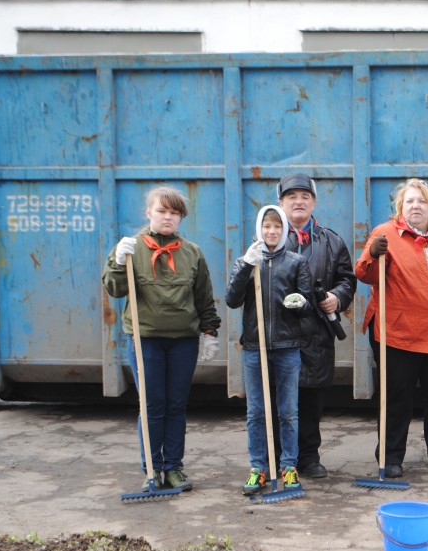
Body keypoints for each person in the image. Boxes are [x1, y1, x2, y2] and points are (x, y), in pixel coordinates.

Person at [102, 186, 221, 493]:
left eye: (174, 213)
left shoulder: (192, 252)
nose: (168, 217)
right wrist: (117, 261)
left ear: (181, 217)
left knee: (176, 405)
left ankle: (174, 467)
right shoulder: (132, 248)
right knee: (152, 405)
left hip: (183, 340)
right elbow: (115, 290)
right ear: (149, 213)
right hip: (146, 340)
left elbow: (204, 296)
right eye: (162, 211)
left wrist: (209, 332)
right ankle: (153, 469)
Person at [355, 178, 428, 477]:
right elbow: (363, 274)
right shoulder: (385, 233)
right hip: (398, 333)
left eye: (421, 201)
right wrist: (372, 253)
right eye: (409, 202)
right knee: (396, 397)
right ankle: (391, 456)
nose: (415, 206)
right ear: (400, 207)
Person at [225, 205, 313, 495]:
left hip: (287, 347)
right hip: (254, 347)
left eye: (277, 227)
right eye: (266, 227)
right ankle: (258, 468)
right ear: (258, 230)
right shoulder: (246, 261)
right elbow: (232, 300)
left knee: (288, 412)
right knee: (256, 412)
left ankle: (288, 467)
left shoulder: (296, 261)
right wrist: (246, 268)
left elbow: (306, 304)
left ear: (285, 230)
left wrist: (300, 303)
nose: (271, 232)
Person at [276, 173, 356, 479]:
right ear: (281, 203)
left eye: (305, 196)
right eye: (291, 197)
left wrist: (337, 297)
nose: (299, 202)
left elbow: (347, 279)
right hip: (280, 336)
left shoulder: (332, 241)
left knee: (311, 402)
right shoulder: (270, 238)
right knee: (280, 402)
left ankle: (308, 458)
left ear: (313, 202)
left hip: (317, 335)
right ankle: (280, 458)